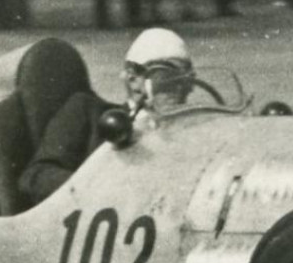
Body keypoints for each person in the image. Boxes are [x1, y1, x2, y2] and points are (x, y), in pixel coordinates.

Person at [19, 28, 194, 205]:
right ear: (133, 79)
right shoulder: (88, 111)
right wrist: (102, 188)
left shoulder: (193, 131)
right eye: (164, 77)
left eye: (185, 79)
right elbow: (36, 176)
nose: (179, 88)